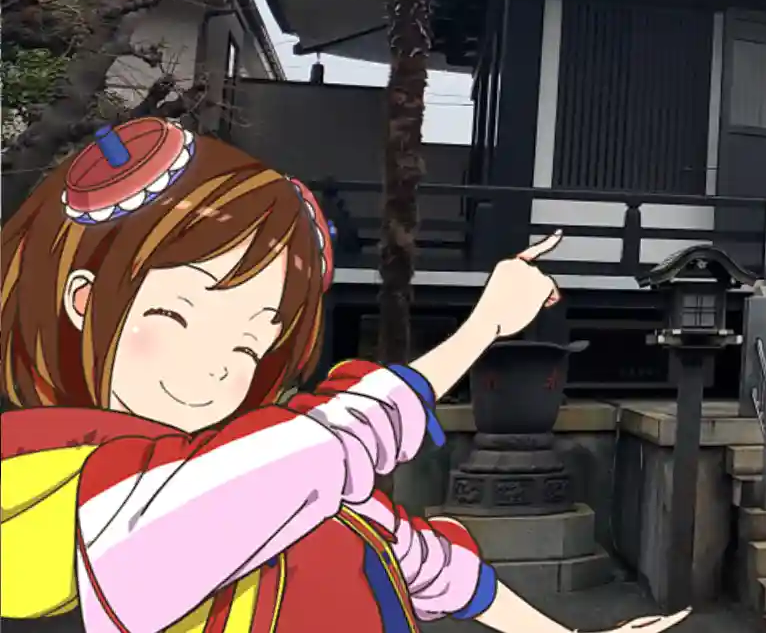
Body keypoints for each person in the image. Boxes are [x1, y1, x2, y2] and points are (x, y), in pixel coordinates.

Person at [0, 118, 691, 633]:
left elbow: (413, 555)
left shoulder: (252, 460)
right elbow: (314, 452)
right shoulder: (60, 489)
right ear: (83, 300)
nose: (220, 368)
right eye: (180, 315)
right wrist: (479, 330)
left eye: (252, 342)